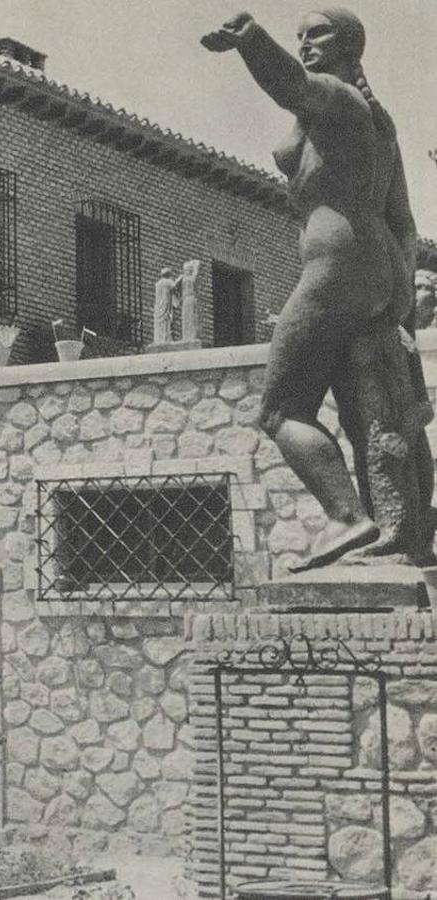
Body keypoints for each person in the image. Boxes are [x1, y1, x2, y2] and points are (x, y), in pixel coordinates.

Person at [203, 8, 432, 571]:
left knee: (280, 411)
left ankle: (347, 517)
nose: (305, 44)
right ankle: (405, 530)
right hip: (374, 266)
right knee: (367, 408)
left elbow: (292, 87)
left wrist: (250, 39)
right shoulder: (378, 118)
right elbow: (401, 220)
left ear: (349, 45)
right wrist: (399, 299)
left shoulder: (335, 96)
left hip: (335, 264)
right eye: (298, 36)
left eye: (318, 35)